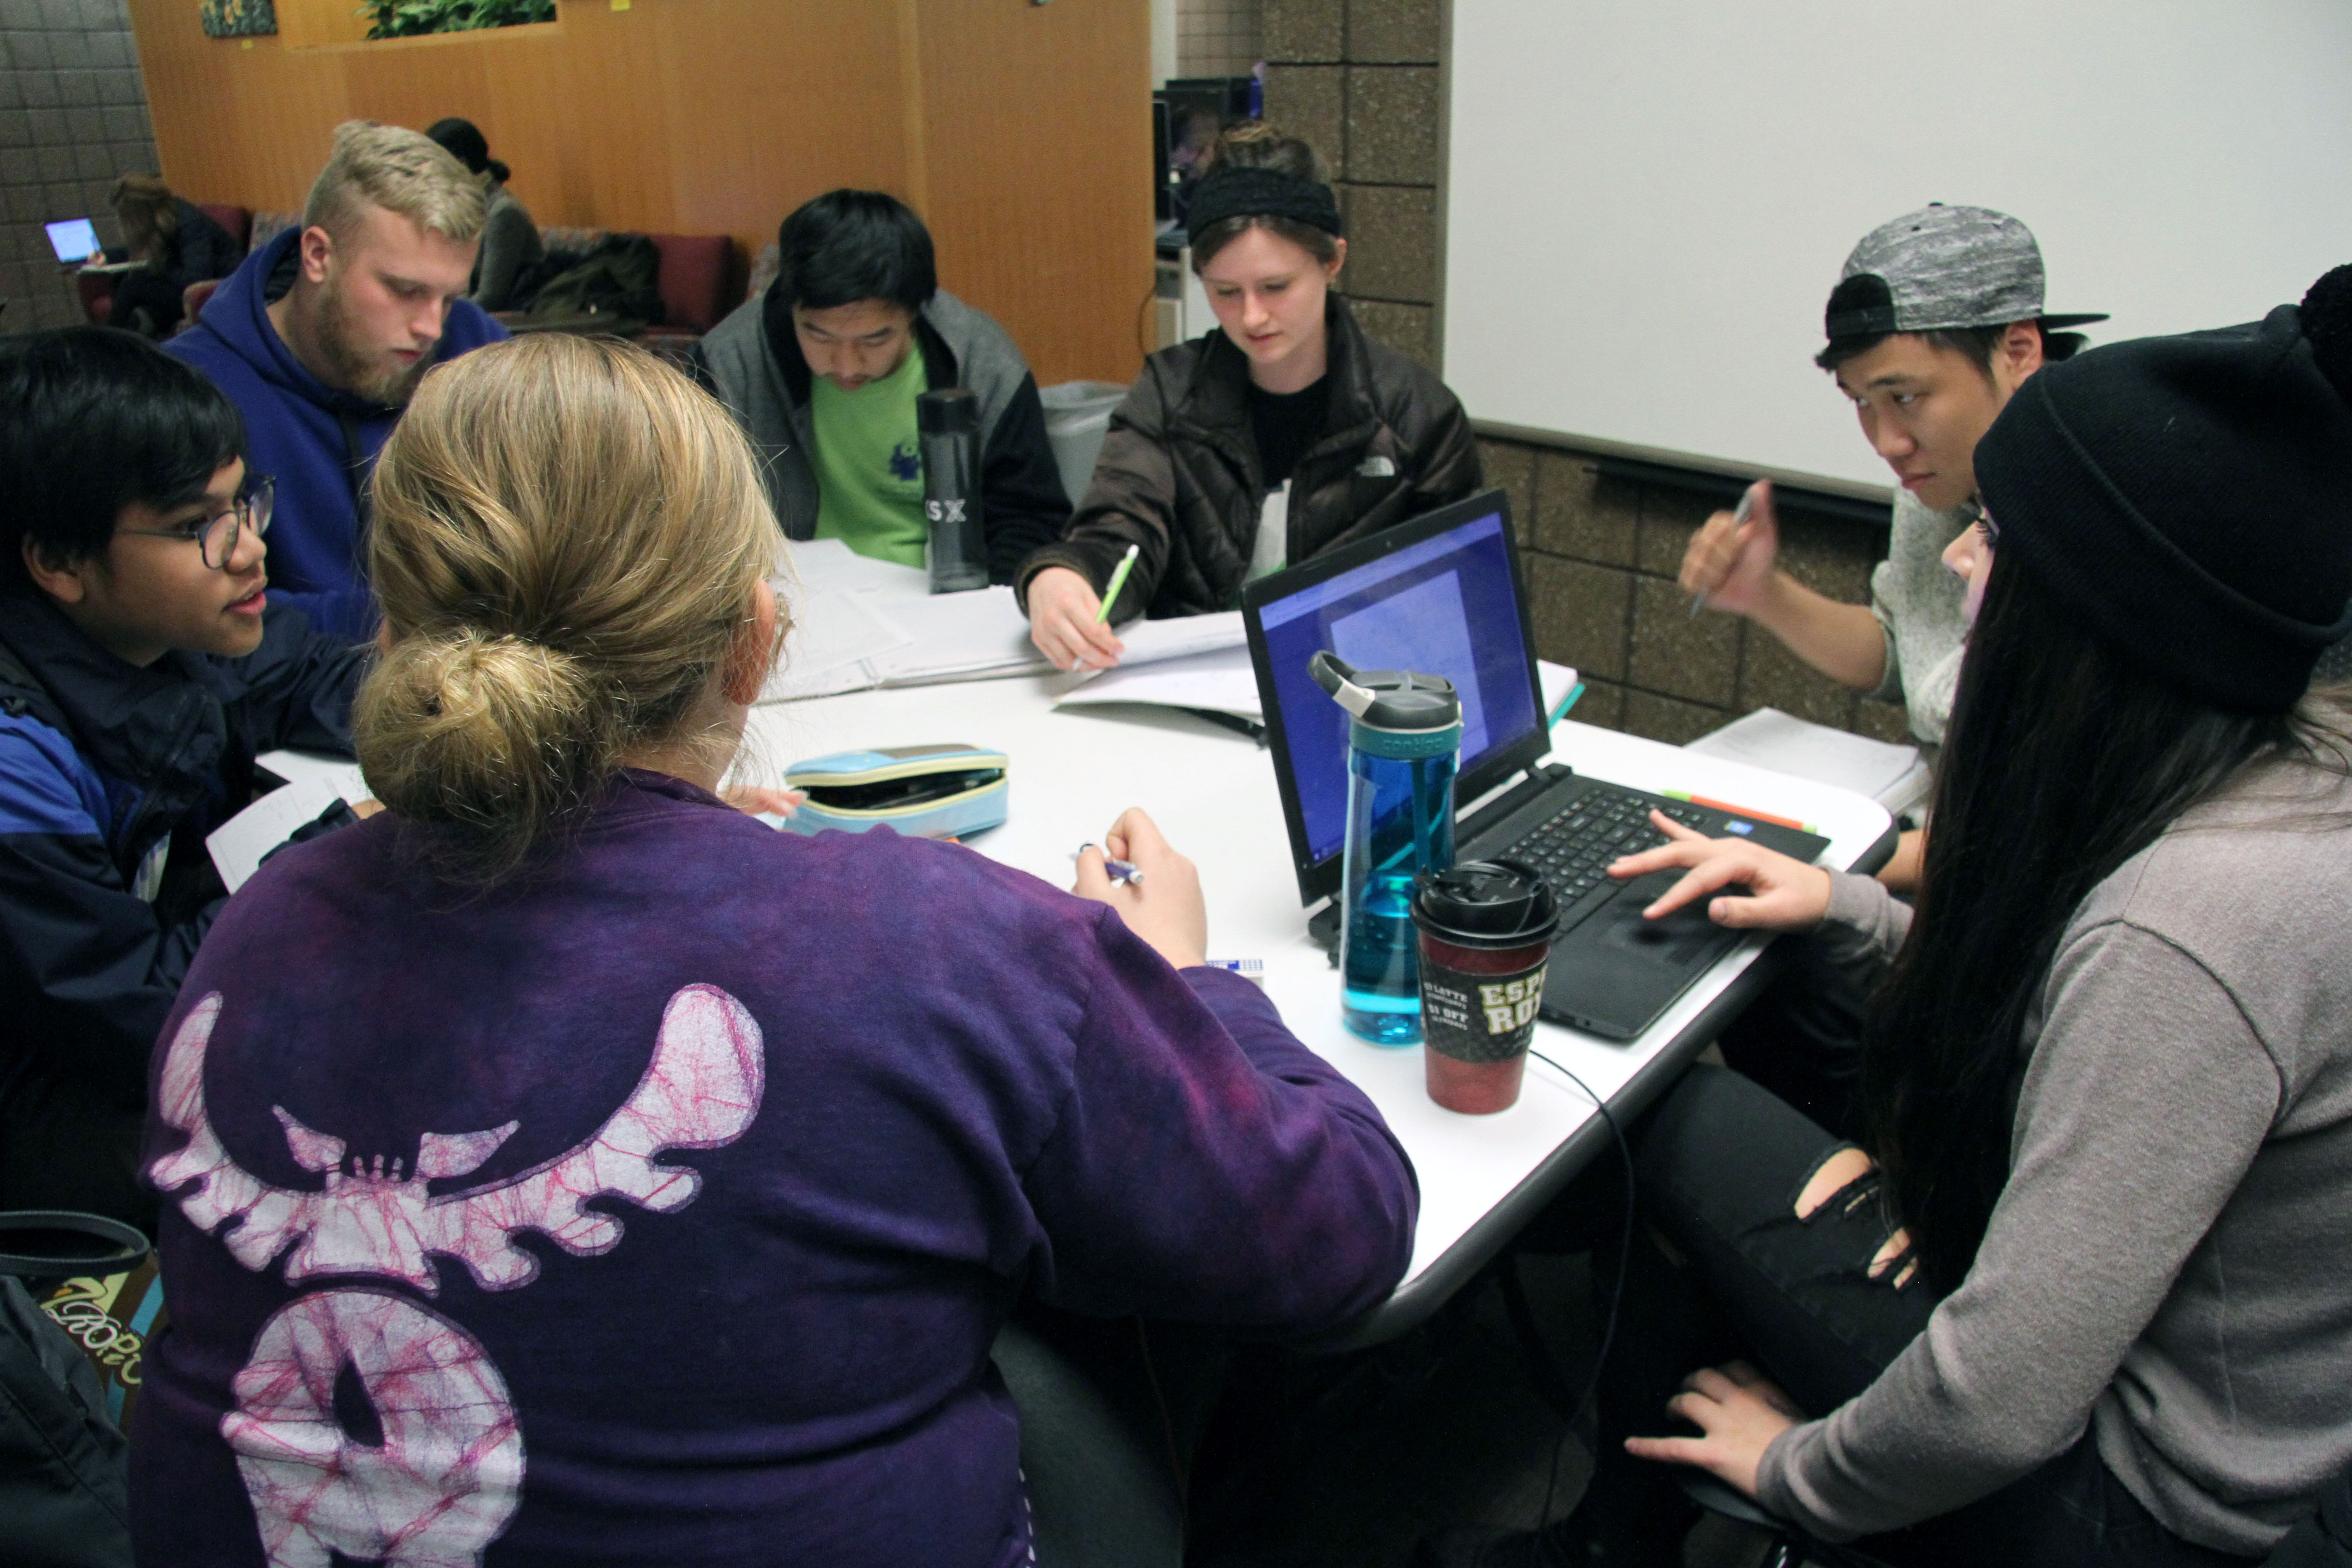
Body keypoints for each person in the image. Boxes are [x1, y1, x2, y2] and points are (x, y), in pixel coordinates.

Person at [129, 334, 1418, 1566]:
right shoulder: (934, 942)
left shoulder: (260, 926)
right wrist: (1186, 979)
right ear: (755, 642)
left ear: (404, 643)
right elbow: (1338, 1231)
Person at [1428, 269, 2352, 1566]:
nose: (1965, 554)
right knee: (1791, 975)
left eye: (1999, 541)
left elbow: (2000, 1402)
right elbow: (2063, 1018)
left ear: (2095, 617)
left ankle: (1614, 1537)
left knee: (1666, 1107)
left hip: (2127, 1502)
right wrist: (1845, 905)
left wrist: (1796, 1468)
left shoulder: (2194, 926)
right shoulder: (2258, 769)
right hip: (2148, 1370)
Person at [0, 328, 370, 1232]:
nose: (249, 552)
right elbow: (133, 1018)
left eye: (244, 504)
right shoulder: (15, 758)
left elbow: (317, 674)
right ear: (58, 561)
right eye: (196, 525)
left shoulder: (164, 624)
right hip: (48, 1104)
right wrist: (334, 858)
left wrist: (462, 727)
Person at [1021, 122, 1481, 672]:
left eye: (1276, 287)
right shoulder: (1171, 393)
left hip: (1353, 697)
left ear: (1332, 261)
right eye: (1225, 293)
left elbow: (1458, 600)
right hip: (1193, 690)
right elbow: (1120, 531)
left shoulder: (1418, 416)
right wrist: (1062, 577)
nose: (1252, 317)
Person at [169, 120, 507, 642]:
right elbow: (176, 610)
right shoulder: (187, 391)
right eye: (404, 290)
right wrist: (415, 626)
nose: (431, 328)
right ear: (319, 256)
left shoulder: (476, 348)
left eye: (448, 297)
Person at [693, 189, 1070, 583]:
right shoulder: (728, 364)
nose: (846, 365)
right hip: (793, 600)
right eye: (819, 337)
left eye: (874, 340)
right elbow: (691, 523)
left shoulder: (982, 363)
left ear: (915, 311)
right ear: (790, 306)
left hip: (946, 600)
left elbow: (1028, 519)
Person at [425, 116, 544, 312]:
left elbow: (490, 298)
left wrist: (439, 315)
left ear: (461, 165)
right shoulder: (463, 208)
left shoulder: (504, 213)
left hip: (510, 327)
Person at [106, 173, 243, 340]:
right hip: (187, 287)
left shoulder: (189, 222)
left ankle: (107, 343)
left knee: (131, 287)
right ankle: (139, 333)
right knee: (125, 282)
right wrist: (105, 257)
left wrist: (160, 264)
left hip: (215, 289)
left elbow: (196, 278)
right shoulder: (166, 215)